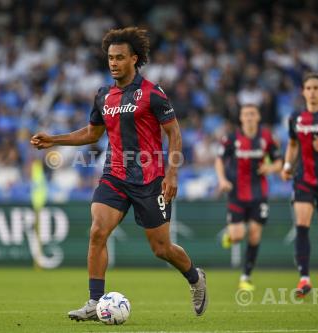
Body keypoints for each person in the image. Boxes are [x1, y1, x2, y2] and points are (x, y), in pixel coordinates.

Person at [30, 27, 207, 319]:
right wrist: (55, 139)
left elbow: (174, 134)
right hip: (115, 175)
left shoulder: (153, 93)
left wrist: (172, 174)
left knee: (161, 249)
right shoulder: (103, 96)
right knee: (98, 231)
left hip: (150, 180)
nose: (113, 63)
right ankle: (93, 302)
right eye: (110, 57)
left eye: (120, 57)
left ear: (134, 59)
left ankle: (194, 278)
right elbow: (91, 133)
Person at [215, 104, 282, 291]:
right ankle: (231, 236)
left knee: (254, 234)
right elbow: (219, 160)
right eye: (246, 114)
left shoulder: (266, 137)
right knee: (238, 236)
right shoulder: (231, 138)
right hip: (236, 193)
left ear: (258, 116)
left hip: (259, 193)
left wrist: (271, 168)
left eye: (253, 114)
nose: (250, 117)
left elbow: (279, 161)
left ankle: (246, 276)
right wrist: (221, 180)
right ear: (241, 118)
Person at [281, 73, 318, 298]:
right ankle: (304, 279)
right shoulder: (296, 118)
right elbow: (292, 143)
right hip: (304, 179)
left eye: (315, 88)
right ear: (303, 91)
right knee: (302, 223)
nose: (311, 92)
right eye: (307, 88)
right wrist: (287, 164)